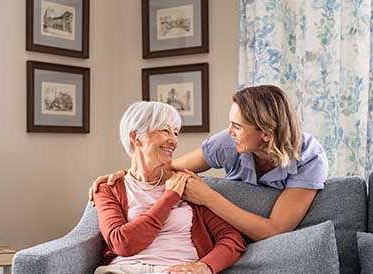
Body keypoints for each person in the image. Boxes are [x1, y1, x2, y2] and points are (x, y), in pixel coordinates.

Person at [90, 85, 329, 241]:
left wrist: (208, 196)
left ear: (265, 133)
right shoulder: (227, 143)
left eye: (237, 126)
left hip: (270, 242)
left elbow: (275, 230)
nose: (229, 131)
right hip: (228, 235)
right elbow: (168, 169)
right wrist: (125, 175)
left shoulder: (309, 157)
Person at [91, 101, 246, 274]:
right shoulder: (110, 188)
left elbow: (232, 239)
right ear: (136, 137)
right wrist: (169, 199)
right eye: (165, 130)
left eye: (176, 132)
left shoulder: (189, 185)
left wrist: (206, 266)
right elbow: (122, 243)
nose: (173, 140)